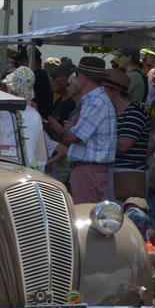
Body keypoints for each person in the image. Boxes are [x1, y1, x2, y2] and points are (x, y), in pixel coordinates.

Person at [53, 56, 117, 204]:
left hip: (88, 170)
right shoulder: (95, 100)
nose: (75, 78)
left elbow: (72, 138)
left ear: (85, 78)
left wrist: (67, 128)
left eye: (77, 74)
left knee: (85, 217)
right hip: (90, 170)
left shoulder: (95, 103)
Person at [0, 66, 47, 171]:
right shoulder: (35, 115)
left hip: (2, 172)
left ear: (13, 91)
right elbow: (41, 156)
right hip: (28, 173)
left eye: (7, 87)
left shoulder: (1, 112)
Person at [104, 69, 149, 200]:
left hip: (129, 174)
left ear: (114, 91)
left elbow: (124, 145)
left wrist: (99, 143)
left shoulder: (135, 111)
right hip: (115, 172)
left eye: (103, 90)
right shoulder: (111, 111)